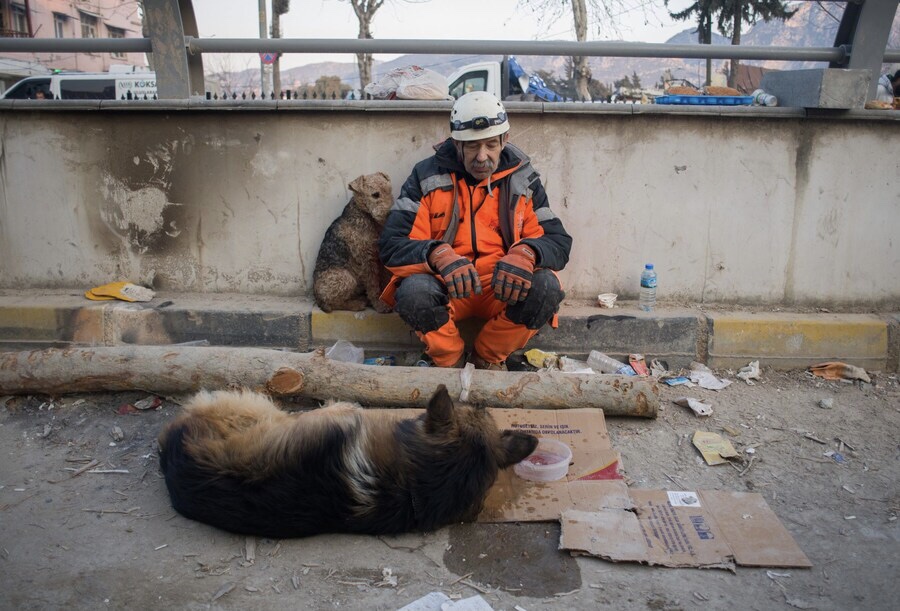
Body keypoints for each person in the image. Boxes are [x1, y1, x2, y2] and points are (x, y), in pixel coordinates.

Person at [378, 91, 572, 370]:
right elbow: (392, 245)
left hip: (503, 289)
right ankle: (451, 362)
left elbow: (558, 242)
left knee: (546, 288)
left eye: (491, 144)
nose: (482, 157)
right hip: (448, 286)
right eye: (472, 147)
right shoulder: (426, 176)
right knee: (413, 292)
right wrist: (438, 254)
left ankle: (486, 359)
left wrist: (527, 252)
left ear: (504, 140)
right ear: (456, 144)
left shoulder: (523, 179)